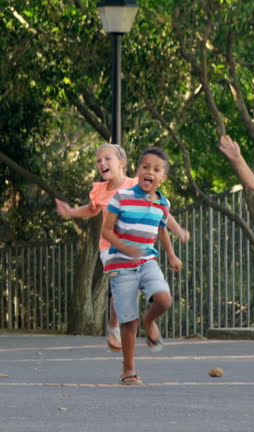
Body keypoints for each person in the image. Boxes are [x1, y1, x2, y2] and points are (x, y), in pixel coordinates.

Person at [55, 144, 189, 353]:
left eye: (108, 159)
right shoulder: (99, 191)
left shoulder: (137, 183)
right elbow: (91, 210)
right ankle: (114, 326)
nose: (102, 163)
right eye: (99, 160)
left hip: (137, 248)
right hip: (109, 247)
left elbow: (162, 213)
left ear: (122, 164)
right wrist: (70, 211)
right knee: (123, 281)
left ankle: (124, 324)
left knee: (130, 286)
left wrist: (178, 230)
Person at [102, 146, 183, 385]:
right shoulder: (121, 197)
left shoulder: (163, 203)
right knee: (129, 320)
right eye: (145, 167)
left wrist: (172, 255)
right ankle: (128, 369)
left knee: (164, 300)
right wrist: (126, 248)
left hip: (147, 261)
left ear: (163, 178)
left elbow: (162, 230)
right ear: (137, 171)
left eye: (156, 169)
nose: (149, 171)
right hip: (121, 263)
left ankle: (150, 320)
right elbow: (106, 230)